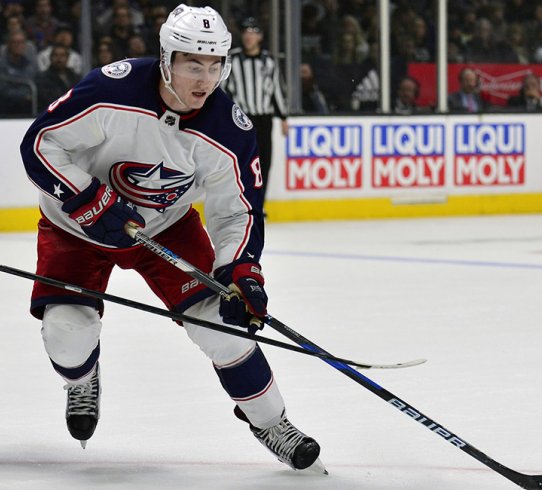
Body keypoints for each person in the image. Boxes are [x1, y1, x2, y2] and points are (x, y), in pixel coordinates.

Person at [19, 4, 323, 472]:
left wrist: (241, 270)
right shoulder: (112, 88)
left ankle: (272, 423)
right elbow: (40, 142)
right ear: (166, 59)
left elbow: (237, 210)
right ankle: (81, 377)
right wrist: (88, 199)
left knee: (223, 328)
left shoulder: (230, 130)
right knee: (66, 334)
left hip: (167, 228)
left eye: (215, 64)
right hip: (74, 227)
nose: (205, 78)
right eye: (192, 64)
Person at [221, 17, 288, 208]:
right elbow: (223, 91)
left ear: (260, 37)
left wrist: (283, 118)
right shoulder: (232, 59)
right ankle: (241, 201)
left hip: (264, 119)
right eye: (246, 33)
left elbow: (277, 90)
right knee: (241, 160)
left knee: (264, 161)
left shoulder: (269, 61)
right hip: (241, 119)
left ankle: (259, 203)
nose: (249, 37)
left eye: (253, 33)